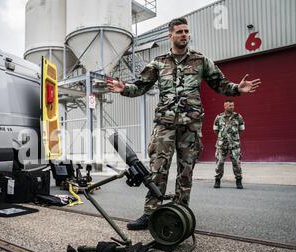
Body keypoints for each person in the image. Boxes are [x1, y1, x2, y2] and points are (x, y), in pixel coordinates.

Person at [106, 17, 261, 231]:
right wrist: (123, 88)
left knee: (185, 172)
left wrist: (237, 88)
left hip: (191, 126)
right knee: (158, 170)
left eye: (187, 31)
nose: (184, 35)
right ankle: (150, 213)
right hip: (165, 125)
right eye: (179, 31)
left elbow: (220, 83)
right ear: (171, 35)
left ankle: (179, 214)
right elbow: (140, 87)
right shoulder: (158, 63)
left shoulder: (200, 61)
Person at [213, 100, 245, 189]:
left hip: (234, 144)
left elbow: (241, 129)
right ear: (225, 106)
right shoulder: (219, 117)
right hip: (221, 144)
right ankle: (217, 180)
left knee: (236, 163)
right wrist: (224, 137)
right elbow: (216, 130)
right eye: (230, 105)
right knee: (219, 163)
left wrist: (232, 137)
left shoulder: (238, 117)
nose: (232, 107)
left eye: (233, 105)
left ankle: (238, 180)